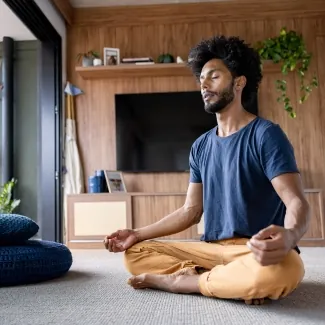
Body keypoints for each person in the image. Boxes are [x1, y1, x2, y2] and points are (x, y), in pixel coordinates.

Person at [104, 35, 310, 305]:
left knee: (287, 269)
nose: (203, 84)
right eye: (201, 78)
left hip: (254, 250)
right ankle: (229, 281)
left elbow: (296, 201)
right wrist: (136, 233)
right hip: (210, 250)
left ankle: (186, 282)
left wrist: (291, 235)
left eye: (214, 76)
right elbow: (191, 211)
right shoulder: (201, 146)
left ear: (239, 82)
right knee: (136, 254)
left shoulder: (266, 135)